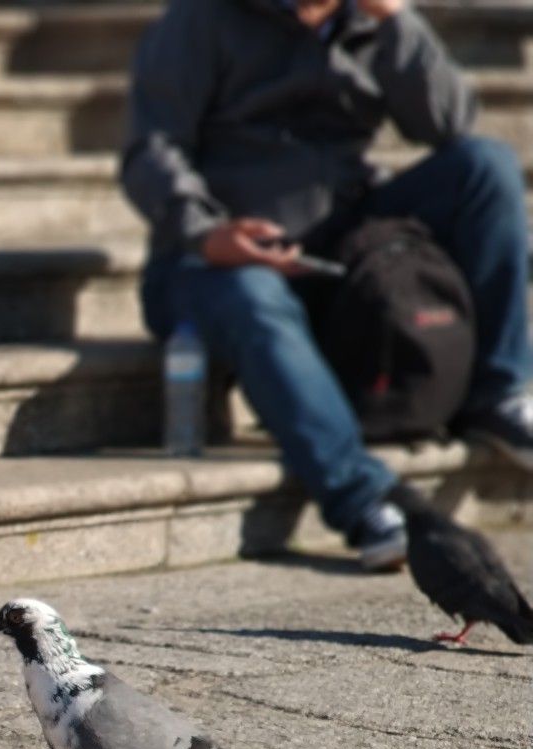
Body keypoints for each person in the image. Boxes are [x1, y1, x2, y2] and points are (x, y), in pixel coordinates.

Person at [122, 0, 533, 570]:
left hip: (337, 251)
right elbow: (151, 151)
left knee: (483, 163)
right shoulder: (202, 19)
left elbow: (448, 121)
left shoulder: (369, 22)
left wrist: (394, 20)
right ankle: (364, 497)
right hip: (209, 261)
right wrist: (209, 232)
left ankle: (498, 393)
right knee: (252, 294)